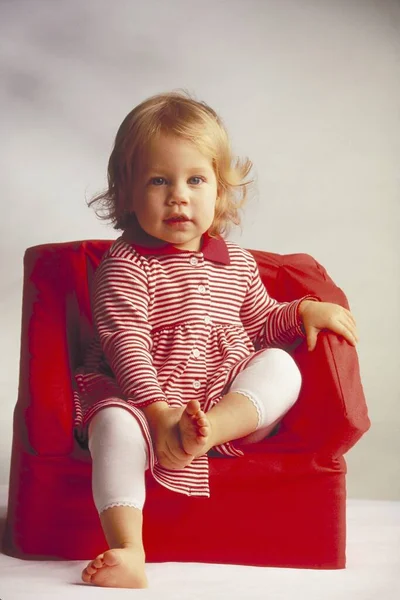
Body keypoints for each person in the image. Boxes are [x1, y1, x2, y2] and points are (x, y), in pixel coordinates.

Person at [74, 90, 359, 589]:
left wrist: (303, 311)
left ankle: (208, 433)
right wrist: (159, 412)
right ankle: (128, 549)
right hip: (143, 402)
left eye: (195, 180)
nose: (178, 195)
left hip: (219, 399)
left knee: (279, 365)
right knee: (112, 427)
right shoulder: (125, 265)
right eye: (158, 180)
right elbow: (127, 342)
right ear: (125, 194)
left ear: (220, 193)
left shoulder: (237, 263)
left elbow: (262, 320)